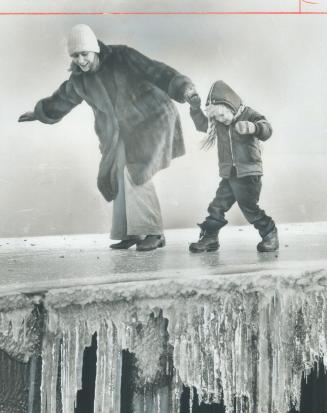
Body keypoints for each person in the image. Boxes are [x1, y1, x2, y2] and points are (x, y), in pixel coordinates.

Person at [19, 24, 199, 251]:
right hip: (120, 132)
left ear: (94, 49)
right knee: (118, 172)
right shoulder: (79, 80)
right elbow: (62, 99)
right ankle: (131, 232)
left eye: (84, 54)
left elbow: (156, 71)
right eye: (75, 56)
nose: (81, 60)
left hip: (150, 120)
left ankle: (154, 232)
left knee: (136, 172)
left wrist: (184, 89)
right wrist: (38, 113)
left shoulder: (122, 56)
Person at [188, 80, 279, 253]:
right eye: (216, 117)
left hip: (249, 173)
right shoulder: (219, 123)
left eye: (222, 115)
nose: (220, 120)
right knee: (217, 206)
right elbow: (202, 125)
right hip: (229, 174)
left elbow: (267, 129)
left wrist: (253, 127)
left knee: (249, 208)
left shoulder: (249, 114)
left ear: (231, 106)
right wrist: (194, 108)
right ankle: (210, 238)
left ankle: (270, 234)